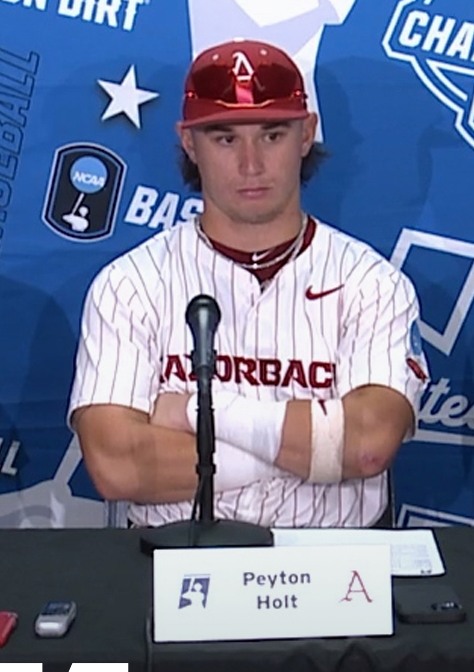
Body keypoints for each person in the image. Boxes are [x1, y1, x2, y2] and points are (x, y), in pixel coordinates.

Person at [69, 39, 424, 527]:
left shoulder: (372, 284)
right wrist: (315, 453)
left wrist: (196, 409)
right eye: (225, 138)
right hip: (172, 564)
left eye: (272, 135)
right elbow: (118, 466)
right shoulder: (129, 284)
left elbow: (364, 448)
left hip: (337, 573)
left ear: (306, 135)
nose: (252, 163)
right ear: (189, 143)